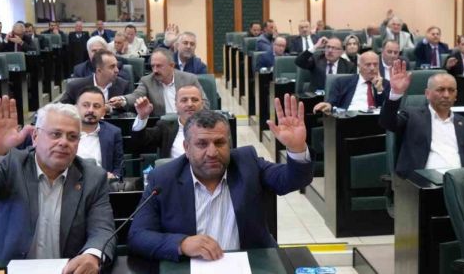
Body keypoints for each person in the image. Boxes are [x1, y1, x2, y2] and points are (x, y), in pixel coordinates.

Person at [127, 96, 313, 261]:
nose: (212, 152)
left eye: (219, 143)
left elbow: (293, 179)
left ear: (229, 144)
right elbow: (138, 236)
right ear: (186, 148)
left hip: (251, 263)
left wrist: (297, 149)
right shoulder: (163, 178)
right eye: (202, 144)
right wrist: (182, 244)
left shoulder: (247, 163)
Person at [0, 96, 115, 268]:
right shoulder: (10, 164)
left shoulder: (93, 177)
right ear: (35, 136)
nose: (64, 142)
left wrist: (92, 255)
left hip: (65, 270)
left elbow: (102, 228)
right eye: (55, 134)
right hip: (7, 267)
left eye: (72, 137)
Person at [378, 61, 464, 175]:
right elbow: (387, 122)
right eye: (440, 90)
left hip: (457, 181)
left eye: (451, 90)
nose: (446, 95)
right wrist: (395, 93)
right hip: (420, 182)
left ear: (456, 95)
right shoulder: (412, 116)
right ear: (427, 94)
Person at [110, 48, 207, 115]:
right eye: (153, 66)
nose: (155, 70)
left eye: (159, 66)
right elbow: (136, 96)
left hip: (189, 124)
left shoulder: (189, 79)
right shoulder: (147, 81)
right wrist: (122, 100)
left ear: (172, 66)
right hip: (163, 128)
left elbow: (205, 103)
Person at [130, 85, 206, 158]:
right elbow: (139, 142)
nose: (190, 104)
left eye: (195, 100)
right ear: (176, 106)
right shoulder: (165, 127)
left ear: (202, 104)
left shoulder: (212, 127)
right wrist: (142, 116)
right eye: (184, 100)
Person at [313, 51, 389, 113]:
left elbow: (388, 109)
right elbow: (332, 102)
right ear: (359, 66)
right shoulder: (342, 82)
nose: (372, 68)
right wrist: (328, 105)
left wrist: (380, 90)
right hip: (350, 119)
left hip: (374, 121)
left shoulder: (385, 84)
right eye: (368, 65)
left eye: (375, 64)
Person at [75, 86, 123, 178]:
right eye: (86, 105)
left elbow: (119, 168)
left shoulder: (113, 133)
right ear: (76, 108)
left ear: (103, 111)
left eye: (96, 106)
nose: (91, 110)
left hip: (102, 184)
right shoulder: (66, 131)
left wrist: (113, 177)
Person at [60, 50, 133, 105]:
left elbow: (130, 111)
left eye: (116, 66)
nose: (117, 70)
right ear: (99, 70)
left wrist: (111, 109)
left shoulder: (124, 85)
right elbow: (60, 108)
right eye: (112, 67)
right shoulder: (75, 86)